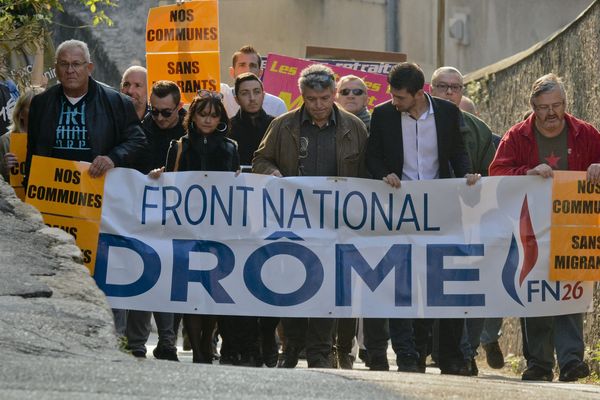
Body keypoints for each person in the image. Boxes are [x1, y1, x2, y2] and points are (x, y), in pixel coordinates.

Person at [364, 62, 476, 376]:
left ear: (419, 93)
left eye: (400, 97)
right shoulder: (383, 114)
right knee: (403, 283)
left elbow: (456, 151)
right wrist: (383, 174)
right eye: (392, 95)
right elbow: (372, 154)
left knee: (441, 281)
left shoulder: (448, 113)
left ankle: (448, 356)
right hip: (399, 209)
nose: (394, 101)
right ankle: (408, 355)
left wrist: (466, 174)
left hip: (440, 208)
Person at [253, 64, 369, 369]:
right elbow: (260, 159)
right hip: (293, 220)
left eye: (324, 98)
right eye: (311, 99)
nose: (318, 105)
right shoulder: (283, 125)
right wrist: (272, 172)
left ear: (333, 94)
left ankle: (319, 352)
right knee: (292, 283)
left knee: (328, 287)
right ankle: (291, 348)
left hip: (336, 222)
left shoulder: (354, 127)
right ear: (302, 96)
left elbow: (367, 170)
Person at [489, 73, 598, 382]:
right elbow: (496, 171)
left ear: (566, 104)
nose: (552, 113)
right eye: (544, 107)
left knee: (570, 290)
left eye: (557, 105)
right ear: (532, 107)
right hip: (531, 227)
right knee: (534, 290)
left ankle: (571, 361)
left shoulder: (586, 134)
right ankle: (538, 362)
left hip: (573, 226)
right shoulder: (517, 136)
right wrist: (527, 172)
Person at [150, 90, 240, 364]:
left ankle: (205, 341)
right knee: (189, 291)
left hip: (217, 228)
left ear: (221, 118)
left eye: (214, 115)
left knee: (211, 288)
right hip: (185, 228)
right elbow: (170, 183)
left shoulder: (230, 147)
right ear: (194, 116)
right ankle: (199, 350)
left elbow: (237, 188)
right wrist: (158, 175)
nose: (208, 120)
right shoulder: (179, 146)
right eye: (203, 114)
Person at [430, 66, 502, 374]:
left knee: (469, 289)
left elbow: (495, 173)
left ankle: (465, 352)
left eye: (456, 87)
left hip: (467, 223)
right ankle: (422, 351)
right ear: (429, 89)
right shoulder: (412, 124)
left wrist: (479, 180)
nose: (449, 92)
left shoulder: (477, 129)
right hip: (425, 221)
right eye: (443, 86)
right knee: (427, 287)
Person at [25, 39, 145, 182]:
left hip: (97, 190)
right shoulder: (41, 103)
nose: (70, 70)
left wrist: (113, 158)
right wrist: (28, 185)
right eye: (64, 64)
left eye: (76, 64)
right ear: (56, 68)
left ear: (89, 68)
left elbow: (138, 140)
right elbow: (32, 151)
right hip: (52, 192)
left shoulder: (116, 102)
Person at [125, 80, 185, 361]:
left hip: (177, 220)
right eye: (155, 111)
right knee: (142, 274)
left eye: (166, 112)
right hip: (142, 216)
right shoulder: (139, 130)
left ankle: (168, 340)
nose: (159, 117)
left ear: (179, 108)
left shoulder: (191, 133)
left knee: (170, 280)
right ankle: (136, 342)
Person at [220, 45, 287, 118]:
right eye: (242, 65)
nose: (248, 70)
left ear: (260, 73)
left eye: (253, 65)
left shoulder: (277, 105)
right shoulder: (222, 94)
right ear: (232, 72)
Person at [228, 72, 274, 170]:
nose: (252, 98)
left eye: (256, 92)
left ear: (263, 95)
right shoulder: (228, 128)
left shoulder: (276, 125)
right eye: (245, 93)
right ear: (236, 99)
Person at [1, 87, 44, 182]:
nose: (39, 112)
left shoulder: (57, 139)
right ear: (20, 113)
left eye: (44, 107)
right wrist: (5, 168)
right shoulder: (6, 141)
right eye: (34, 107)